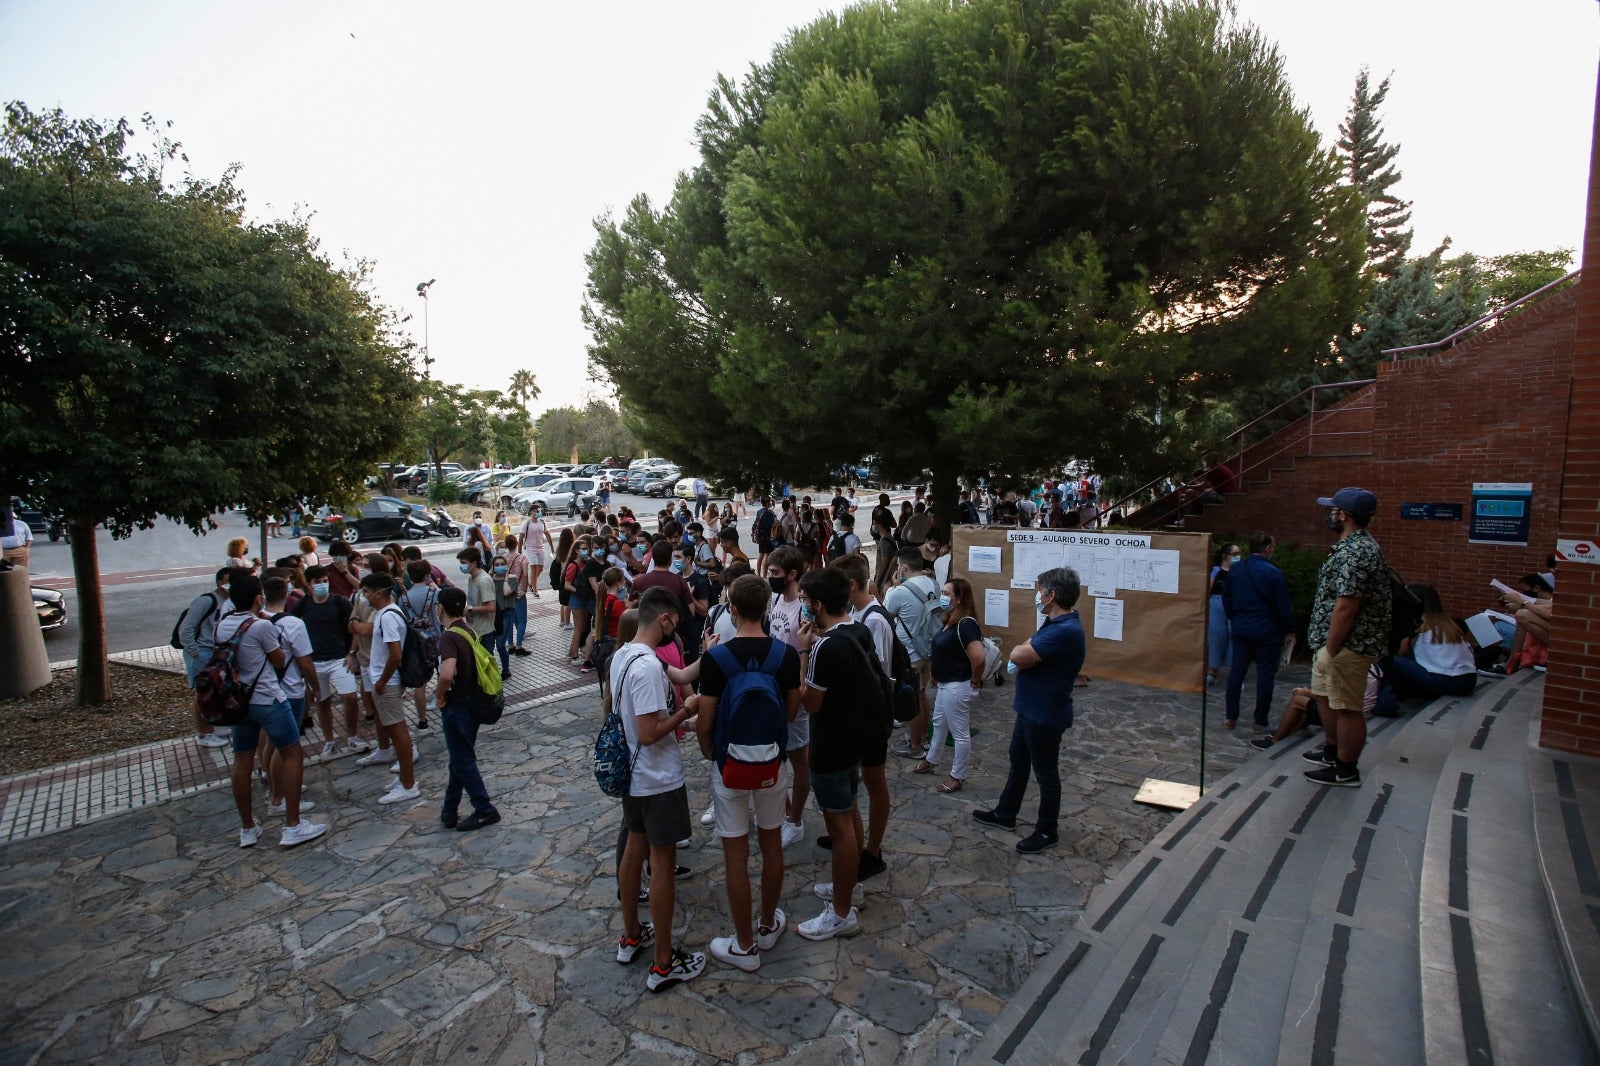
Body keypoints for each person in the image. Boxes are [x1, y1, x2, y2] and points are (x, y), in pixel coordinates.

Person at [696, 573, 801, 971]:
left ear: (733, 609)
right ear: (768, 608)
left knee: (735, 854)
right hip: (773, 762)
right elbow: (790, 713)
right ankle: (768, 923)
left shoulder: (716, 658)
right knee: (772, 845)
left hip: (730, 765)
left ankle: (743, 945)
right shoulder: (786, 656)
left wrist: (713, 757)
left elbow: (705, 722)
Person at [613, 588, 706, 992]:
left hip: (633, 777)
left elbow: (680, 678)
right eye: (676, 622)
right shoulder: (648, 668)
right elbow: (650, 733)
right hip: (657, 779)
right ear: (665, 619)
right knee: (662, 864)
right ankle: (664, 962)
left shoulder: (624, 655)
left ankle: (631, 935)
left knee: (634, 851)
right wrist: (686, 712)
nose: (676, 629)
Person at [973, 567, 1086, 854]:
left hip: (1045, 713)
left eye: (1041, 591)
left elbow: (1019, 653)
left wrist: (1024, 651)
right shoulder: (1054, 623)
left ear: (1052, 595)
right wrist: (1026, 650)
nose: (1038, 596)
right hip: (1030, 709)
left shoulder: (1066, 629)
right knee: (1018, 760)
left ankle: (1048, 830)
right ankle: (1006, 812)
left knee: (1046, 773)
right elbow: (1027, 648)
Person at [214, 574, 327, 848]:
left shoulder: (222, 625)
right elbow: (278, 659)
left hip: (239, 702)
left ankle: (248, 828)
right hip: (267, 698)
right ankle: (292, 824)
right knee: (291, 753)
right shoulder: (262, 627)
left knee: (242, 761)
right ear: (258, 598)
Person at [793, 566, 872, 940]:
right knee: (851, 813)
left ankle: (841, 914)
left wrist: (805, 652)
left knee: (840, 830)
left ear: (819, 603)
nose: (805, 608)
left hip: (830, 746)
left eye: (808, 602)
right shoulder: (859, 630)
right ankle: (850, 888)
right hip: (854, 739)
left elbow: (811, 702)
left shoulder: (826, 646)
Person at [1303, 487, 1391, 788]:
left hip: (1347, 645)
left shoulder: (1358, 552)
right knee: (1326, 697)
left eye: (1333, 509)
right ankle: (1332, 751)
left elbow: (1346, 606)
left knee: (1347, 707)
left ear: (1345, 515)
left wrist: (1330, 647)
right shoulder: (1349, 547)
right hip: (1333, 643)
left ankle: (1346, 768)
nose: (1329, 513)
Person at [833, 552, 893, 882]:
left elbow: (877, 674)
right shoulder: (858, 613)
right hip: (859, 716)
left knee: (874, 781)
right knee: (856, 782)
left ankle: (873, 849)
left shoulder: (874, 620)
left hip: (870, 718)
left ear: (852, 585)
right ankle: (851, 838)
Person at [435, 587, 501, 831]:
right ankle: (449, 810)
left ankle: (484, 809)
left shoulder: (449, 638)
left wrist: (439, 695)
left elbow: (447, 672)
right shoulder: (468, 630)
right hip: (473, 701)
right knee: (459, 756)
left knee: (462, 758)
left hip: (458, 704)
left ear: (440, 608)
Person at [915, 577, 985, 794]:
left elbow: (979, 658)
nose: (942, 598)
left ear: (959, 598)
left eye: (947, 594)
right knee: (939, 723)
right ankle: (932, 759)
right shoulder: (950, 620)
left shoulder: (966, 624)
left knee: (959, 732)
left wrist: (974, 680)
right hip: (946, 683)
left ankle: (957, 775)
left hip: (958, 685)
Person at [764, 547, 813, 849]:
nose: (770, 578)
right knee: (772, 753)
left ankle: (795, 820)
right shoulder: (775, 599)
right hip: (773, 688)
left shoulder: (804, 609)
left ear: (792, 575)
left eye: (775, 573)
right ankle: (786, 812)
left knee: (798, 758)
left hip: (794, 691)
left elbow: (809, 646)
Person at [295, 564, 370, 756]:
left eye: (325, 581)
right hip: (315, 662)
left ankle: (352, 737)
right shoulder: (302, 606)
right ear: (309, 585)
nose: (323, 585)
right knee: (323, 701)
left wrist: (351, 652)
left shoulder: (339, 602)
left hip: (339, 658)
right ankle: (329, 741)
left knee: (350, 697)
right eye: (318, 582)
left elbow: (353, 627)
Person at [1223, 533, 1294, 733]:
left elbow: (1227, 598)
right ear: (1268, 549)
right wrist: (1289, 629)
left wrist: (1233, 618)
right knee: (1265, 674)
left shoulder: (1236, 570)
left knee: (1237, 671)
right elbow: (1284, 606)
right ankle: (1260, 720)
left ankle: (1231, 716)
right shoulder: (1273, 573)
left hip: (1241, 626)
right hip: (1267, 629)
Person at [360, 573, 421, 805]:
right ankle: (405, 778)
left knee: (398, 732)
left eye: (366, 592)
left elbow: (395, 654)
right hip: (387, 680)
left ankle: (408, 783)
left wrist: (382, 681)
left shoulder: (387, 617)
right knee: (396, 730)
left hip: (388, 681)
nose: (364, 597)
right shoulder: (389, 613)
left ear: (378, 592)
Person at [262, 577, 321, 805]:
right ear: (287, 594)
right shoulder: (293, 624)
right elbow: (305, 663)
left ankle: (275, 783)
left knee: (271, 742)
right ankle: (281, 797)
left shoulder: (255, 621)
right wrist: (315, 687)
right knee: (286, 748)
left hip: (265, 692)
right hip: (289, 691)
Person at [884, 549, 940, 760]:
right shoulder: (933, 583)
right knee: (921, 694)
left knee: (914, 700)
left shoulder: (900, 592)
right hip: (928, 648)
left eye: (899, 566)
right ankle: (922, 737)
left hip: (910, 653)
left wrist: (893, 587)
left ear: (904, 567)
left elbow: (886, 614)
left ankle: (916, 745)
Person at [1383, 584, 1477, 700]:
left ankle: (1390, 697)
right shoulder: (1446, 623)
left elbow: (1400, 651)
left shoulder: (1420, 622)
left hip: (1446, 680)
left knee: (1389, 660)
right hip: (1468, 680)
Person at [403, 560, 441, 730]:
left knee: (420, 683)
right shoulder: (434, 594)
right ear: (427, 575)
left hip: (415, 643)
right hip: (436, 639)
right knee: (443, 673)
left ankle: (422, 719)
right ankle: (442, 702)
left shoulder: (403, 597)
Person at [1206, 544, 1237, 685]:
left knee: (1234, 638)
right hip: (1217, 605)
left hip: (1234, 606)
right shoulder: (1216, 571)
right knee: (1216, 637)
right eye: (1234, 553)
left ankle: (1235, 672)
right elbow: (1209, 589)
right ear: (1225, 555)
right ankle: (1213, 670)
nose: (1237, 556)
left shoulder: (1239, 571)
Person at [518, 510, 555, 600]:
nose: (538, 513)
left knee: (540, 569)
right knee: (533, 569)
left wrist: (552, 548)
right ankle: (535, 590)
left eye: (539, 511)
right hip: (530, 549)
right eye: (536, 511)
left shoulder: (542, 522)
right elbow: (521, 537)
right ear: (531, 513)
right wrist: (519, 551)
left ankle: (531, 583)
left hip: (540, 548)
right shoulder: (526, 524)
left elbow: (547, 534)